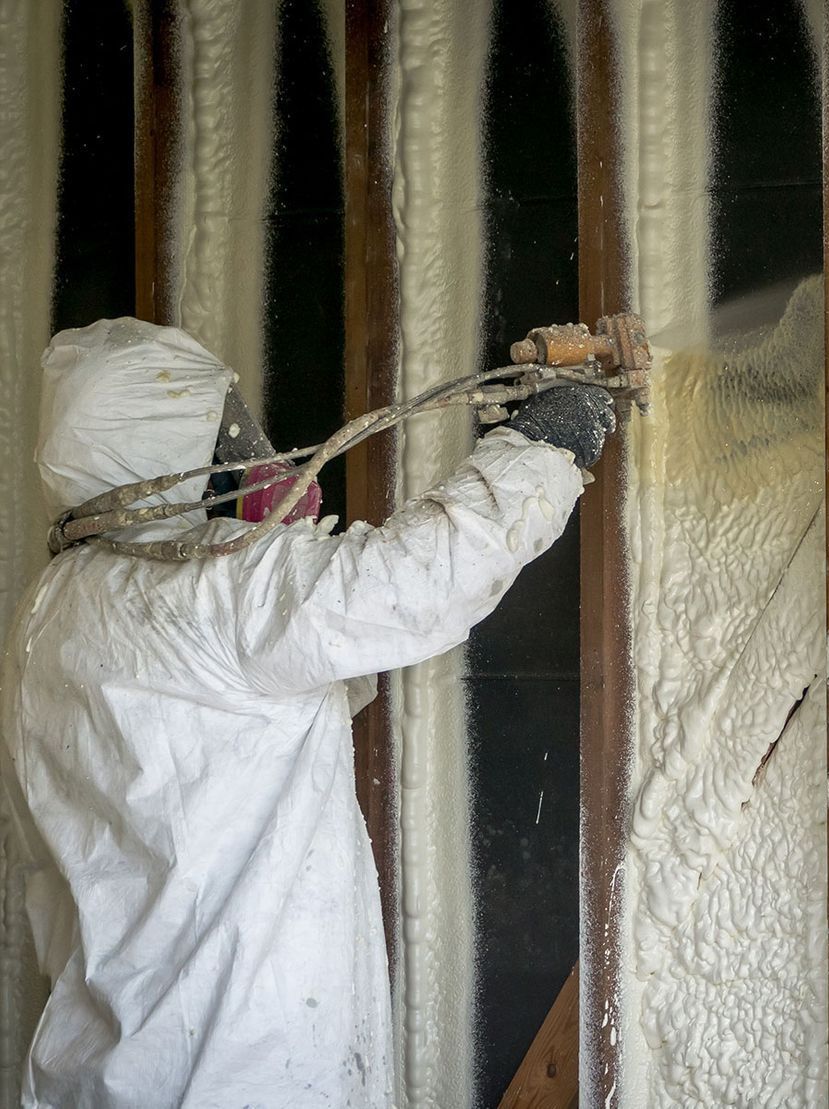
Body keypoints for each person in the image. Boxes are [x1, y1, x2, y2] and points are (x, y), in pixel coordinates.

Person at [0, 317, 615, 1108]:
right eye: (226, 437)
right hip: (237, 1071)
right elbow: (414, 580)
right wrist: (551, 437)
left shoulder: (47, 611)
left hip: (97, 1070)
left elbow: (286, 691)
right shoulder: (212, 592)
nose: (252, 458)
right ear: (163, 446)